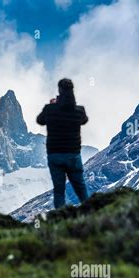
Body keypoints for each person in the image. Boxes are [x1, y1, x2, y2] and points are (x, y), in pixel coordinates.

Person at [36, 78, 89, 209]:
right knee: (80, 187)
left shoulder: (50, 109)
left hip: (55, 155)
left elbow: (40, 120)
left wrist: (54, 105)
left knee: (59, 190)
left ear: (59, 90)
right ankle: (91, 213)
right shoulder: (79, 111)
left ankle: (60, 219)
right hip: (73, 155)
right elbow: (84, 120)